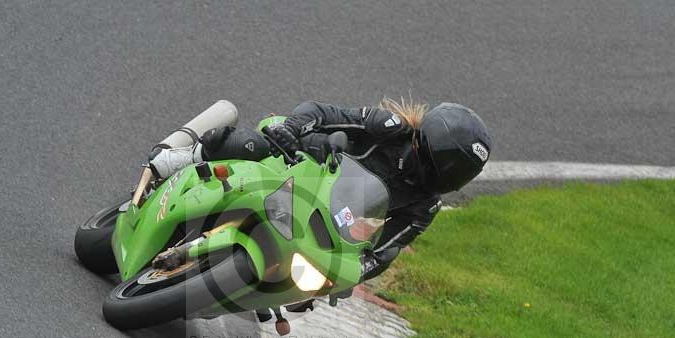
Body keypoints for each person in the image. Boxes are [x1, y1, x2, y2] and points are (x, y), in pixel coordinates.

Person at [146, 98, 492, 280]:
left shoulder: (425, 208)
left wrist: (353, 273)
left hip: (319, 228)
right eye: (430, 163)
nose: (429, 177)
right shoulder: (390, 128)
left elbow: (384, 251)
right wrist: (295, 129)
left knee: (298, 285)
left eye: (443, 176)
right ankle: (177, 160)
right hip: (295, 162)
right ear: (420, 142)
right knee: (247, 144)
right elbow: (324, 111)